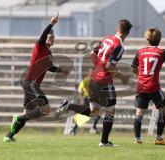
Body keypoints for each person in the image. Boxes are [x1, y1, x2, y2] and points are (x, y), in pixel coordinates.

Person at [56, 19, 132, 147]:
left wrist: (98, 67)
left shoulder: (106, 39)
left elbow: (92, 54)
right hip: (104, 82)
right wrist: (122, 76)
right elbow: (109, 65)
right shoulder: (119, 46)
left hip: (93, 79)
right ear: (128, 33)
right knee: (110, 111)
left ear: (117, 29)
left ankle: (69, 106)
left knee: (93, 111)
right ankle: (104, 142)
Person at [3, 14, 68, 142]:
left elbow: (49, 67)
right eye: (50, 37)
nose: (52, 39)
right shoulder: (40, 46)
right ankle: (18, 119)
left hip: (30, 84)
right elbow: (43, 36)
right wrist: (51, 24)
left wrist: (60, 70)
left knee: (26, 113)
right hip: (31, 84)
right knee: (46, 110)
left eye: (53, 37)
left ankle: (8, 136)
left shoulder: (48, 53)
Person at [131, 28, 165, 145]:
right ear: (159, 39)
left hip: (141, 86)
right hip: (154, 87)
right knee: (163, 110)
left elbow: (133, 68)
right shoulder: (162, 52)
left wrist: (141, 76)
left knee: (139, 114)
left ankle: (137, 139)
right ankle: (159, 138)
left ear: (147, 39)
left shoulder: (140, 51)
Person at [69, 69, 100, 135]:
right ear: (89, 73)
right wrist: (82, 99)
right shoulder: (86, 80)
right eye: (91, 72)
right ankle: (74, 129)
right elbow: (80, 90)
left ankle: (74, 129)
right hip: (88, 99)